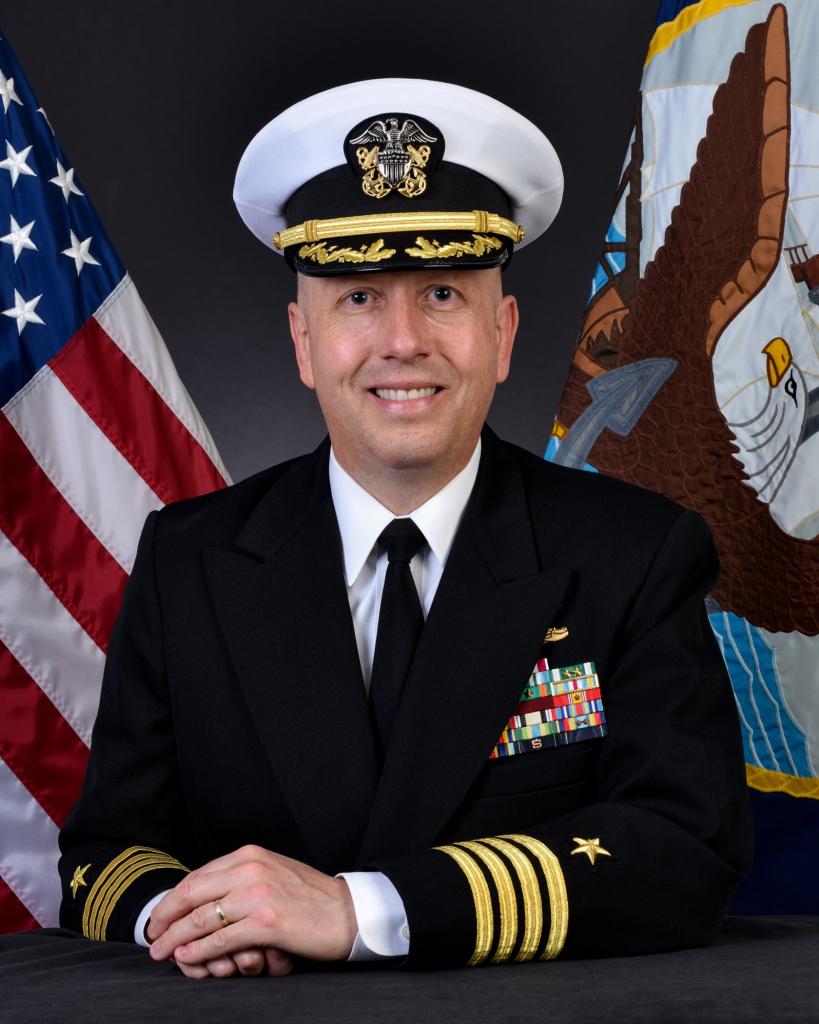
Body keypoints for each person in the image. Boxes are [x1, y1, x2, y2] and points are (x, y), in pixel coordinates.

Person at [58, 78, 753, 978]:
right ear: (302, 344)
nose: (400, 342)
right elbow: (104, 856)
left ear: (501, 335)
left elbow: (684, 841)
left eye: (440, 294)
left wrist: (358, 911)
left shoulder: (634, 553)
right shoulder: (188, 560)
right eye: (354, 297)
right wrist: (204, 922)